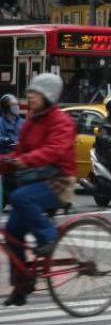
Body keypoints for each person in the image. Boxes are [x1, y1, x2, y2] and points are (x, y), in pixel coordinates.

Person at [0, 73, 76, 307]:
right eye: (29, 93)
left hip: (59, 182)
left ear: (48, 95)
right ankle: (22, 286)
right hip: (34, 181)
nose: (29, 97)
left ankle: (48, 236)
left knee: (19, 197)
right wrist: (7, 161)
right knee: (11, 232)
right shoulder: (31, 120)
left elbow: (55, 150)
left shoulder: (61, 122)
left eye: (34, 93)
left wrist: (27, 160)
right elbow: (19, 152)